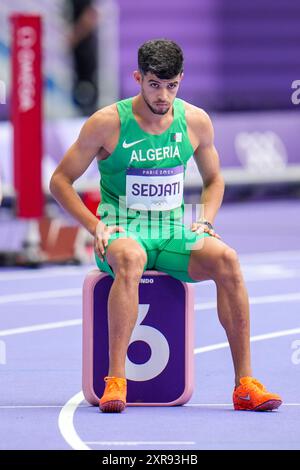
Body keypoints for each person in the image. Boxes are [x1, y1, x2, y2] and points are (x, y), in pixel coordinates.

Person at [50, 39, 282, 414]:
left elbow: (215, 179)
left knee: (228, 260)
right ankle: (116, 380)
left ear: (181, 80)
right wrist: (95, 226)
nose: (163, 95)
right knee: (129, 256)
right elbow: (60, 181)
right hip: (120, 229)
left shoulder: (195, 121)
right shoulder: (108, 122)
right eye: (155, 85)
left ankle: (244, 385)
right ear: (138, 78)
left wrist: (205, 220)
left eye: (172, 85)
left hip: (173, 231)